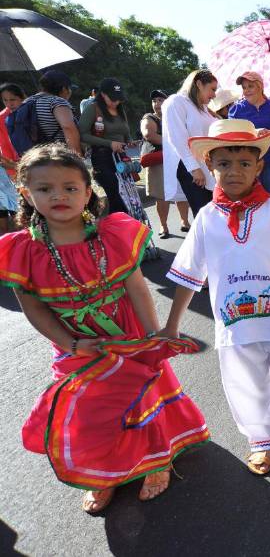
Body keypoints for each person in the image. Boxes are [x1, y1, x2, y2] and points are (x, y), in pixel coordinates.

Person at [0, 144, 209, 513]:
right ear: (25, 193)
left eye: (69, 187)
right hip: (77, 346)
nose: (58, 195)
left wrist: (152, 338)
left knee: (141, 400)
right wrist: (71, 342)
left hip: (128, 336)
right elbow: (33, 309)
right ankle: (105, 473)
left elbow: (138, 288)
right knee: (91, 413)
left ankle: (157, 460)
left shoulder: (112, 235)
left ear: (88, 190)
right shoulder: (21, 251)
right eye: (45, 188)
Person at [163, 119, 270, 476]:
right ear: (210, 166)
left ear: (259, 166)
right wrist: (172, 325)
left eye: (244, 163)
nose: (234, 172)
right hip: (234, 326)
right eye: (224, 164)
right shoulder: (205, 219)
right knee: (245, 385)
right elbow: (189, 275)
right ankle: (261, 438)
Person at [162, 69, 218, 216]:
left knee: (213, 213)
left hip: (206, 166)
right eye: (212, 89)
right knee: (203, 215)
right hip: (190, 168)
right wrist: (194, 168)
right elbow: (177, 137)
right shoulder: (176, 102)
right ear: (199, 84)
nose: (214, 95)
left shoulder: (203, 107)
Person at [229, 72, 270, 197]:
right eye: (244, 87)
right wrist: (255, 133)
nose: (246, 90)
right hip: (245, 162)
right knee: (247, 201)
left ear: (260, 86)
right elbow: (231, 136)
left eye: (250, 86)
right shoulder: (236, 109)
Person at [140, 89, 190, 238]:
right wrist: (174, 143)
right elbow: (149, 134)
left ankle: (185, 221)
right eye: (154, 100)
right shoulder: (149, 117)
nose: (157, 103)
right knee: (162, 196)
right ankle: (163, 226)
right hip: (160, 160)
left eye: (160, 100)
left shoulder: (175, 117)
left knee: (182, 193)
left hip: (177, 159)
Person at [78, 77, 132, 215]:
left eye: (119, 98)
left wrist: (129, 141)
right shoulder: (92, 109)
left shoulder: (120, 110)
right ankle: (119, 228)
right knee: (116, 194)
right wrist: (109, 143)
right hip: (102, 158)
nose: (116, 102)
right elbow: (82, 135)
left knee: (128, 195)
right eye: (113, 98)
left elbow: (125, 131)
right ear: (103, 95)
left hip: (120, 158)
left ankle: (129, 226)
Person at [28, 70, 81, 155]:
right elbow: (68, 128)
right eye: (70, 88)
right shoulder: (57, 102)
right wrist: (78, 157)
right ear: (64, 89)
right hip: (57, 156)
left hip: (34, 156)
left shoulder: (28, 101)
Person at [0, 83, 24, 233]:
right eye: (5, 100)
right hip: (12, 167)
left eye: (13, 99)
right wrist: (12, 166)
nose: (9, 104)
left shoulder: (29, 111)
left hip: (31, 161)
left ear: (22, 97)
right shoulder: (2, 117)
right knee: (15, 206)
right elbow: (4, 145)